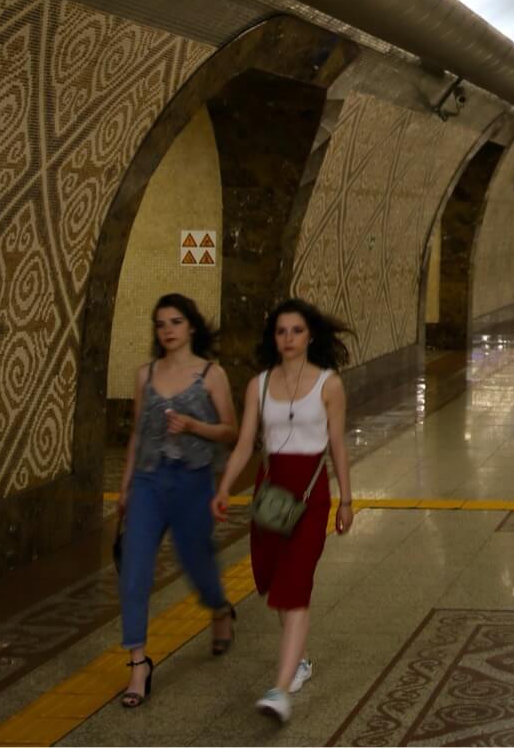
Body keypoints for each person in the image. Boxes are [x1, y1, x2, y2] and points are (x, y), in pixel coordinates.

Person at [215, 300, 356, 725]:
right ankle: (301, 662)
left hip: (311, 494)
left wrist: (347, 500)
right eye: (281, 331)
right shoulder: (257, 386)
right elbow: (245, 444)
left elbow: (336, 445)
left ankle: (280, 688)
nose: (288, 339)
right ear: (272, 337)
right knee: (274, 584)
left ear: (310, 335)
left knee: (294, 588)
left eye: (296, 331)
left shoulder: (329, 385)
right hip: (271, 493)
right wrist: (223, 488)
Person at [116, 295, 239, 708]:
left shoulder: (211, 375)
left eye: (175, 321)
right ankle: (138, 664)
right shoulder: (145, 374)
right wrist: (127, 485)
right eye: (160, 323)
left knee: (197, 563)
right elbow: (137, 433)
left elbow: (231, 431)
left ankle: (220, 609)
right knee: (134, 569)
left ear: (191, 327)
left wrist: (193, 426)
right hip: (150, 481)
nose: (167, 329)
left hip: (192, 482)